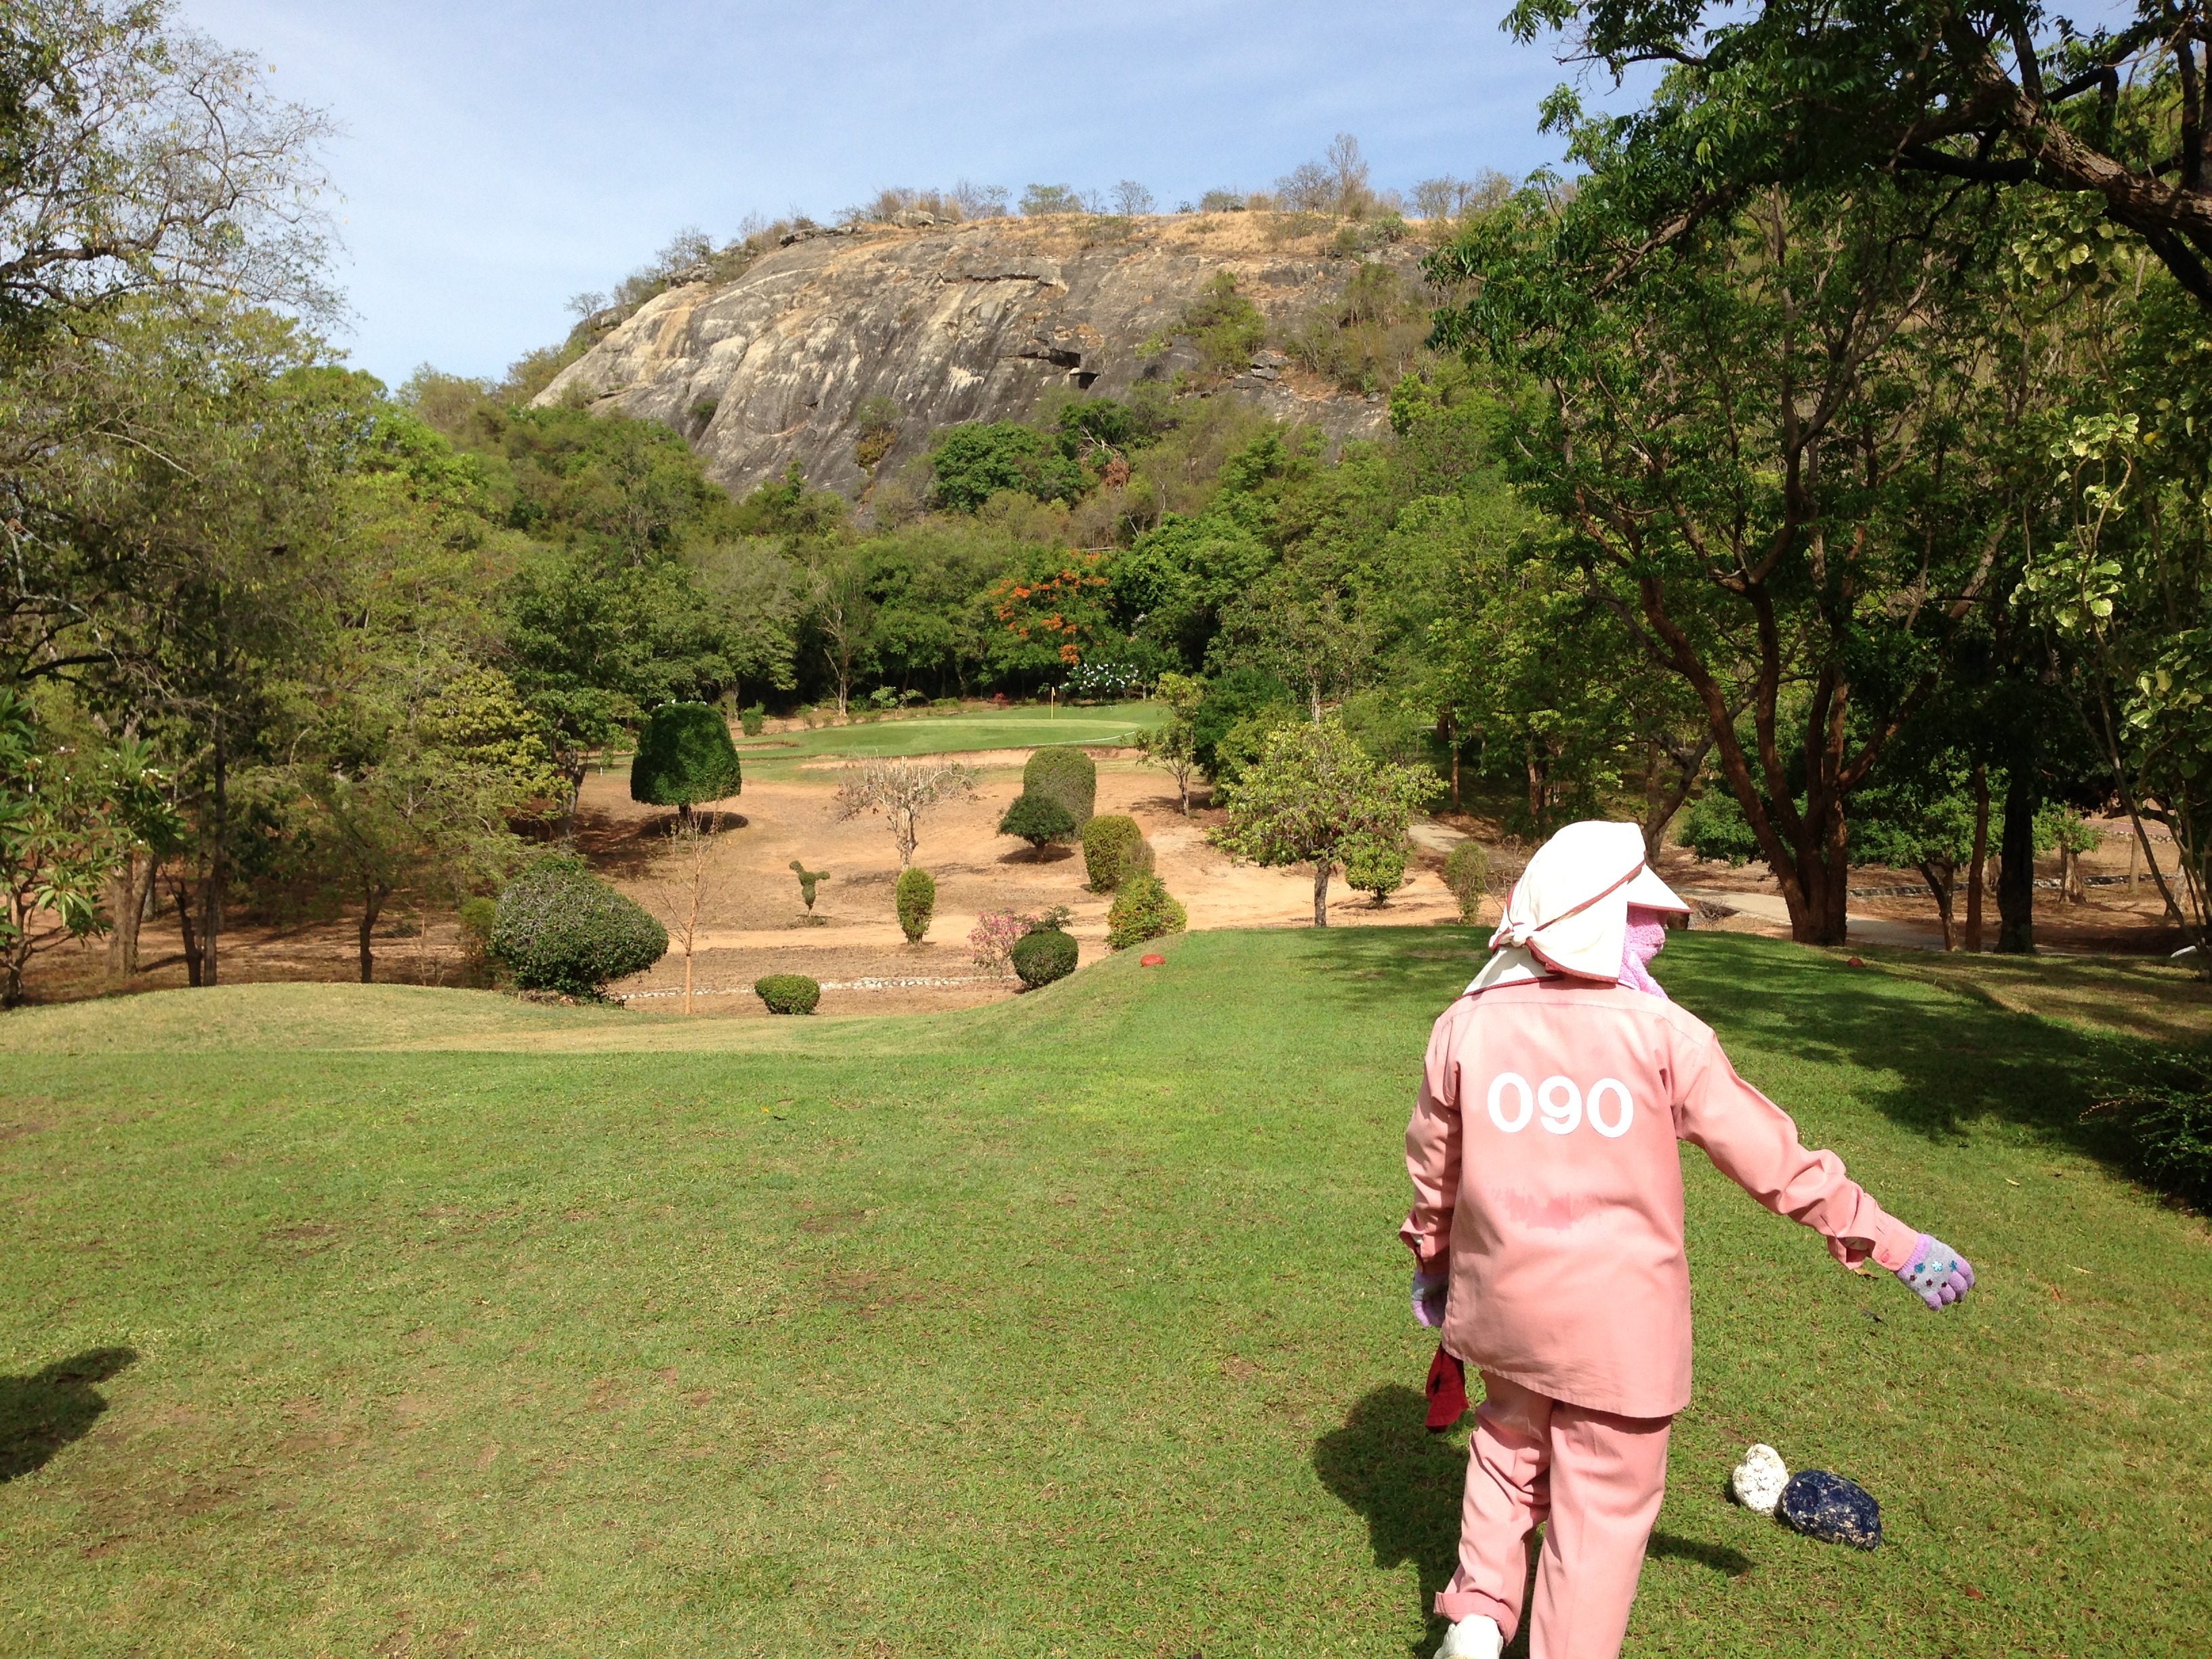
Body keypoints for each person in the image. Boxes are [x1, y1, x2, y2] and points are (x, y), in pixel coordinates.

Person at [1402, 821, 1974, 1659]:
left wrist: (1435, 1265)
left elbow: (1433, 1168)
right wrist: (1890, 1240)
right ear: (1602, 919)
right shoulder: (1668, 1038)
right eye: (1643, 914)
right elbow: (1777, 1161)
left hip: (1503, 1311)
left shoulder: (1466, 1025)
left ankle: (1480, 1620)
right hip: (1621, 1339)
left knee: (1504, 1449)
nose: (1659, 932)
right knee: (1601, 1511)